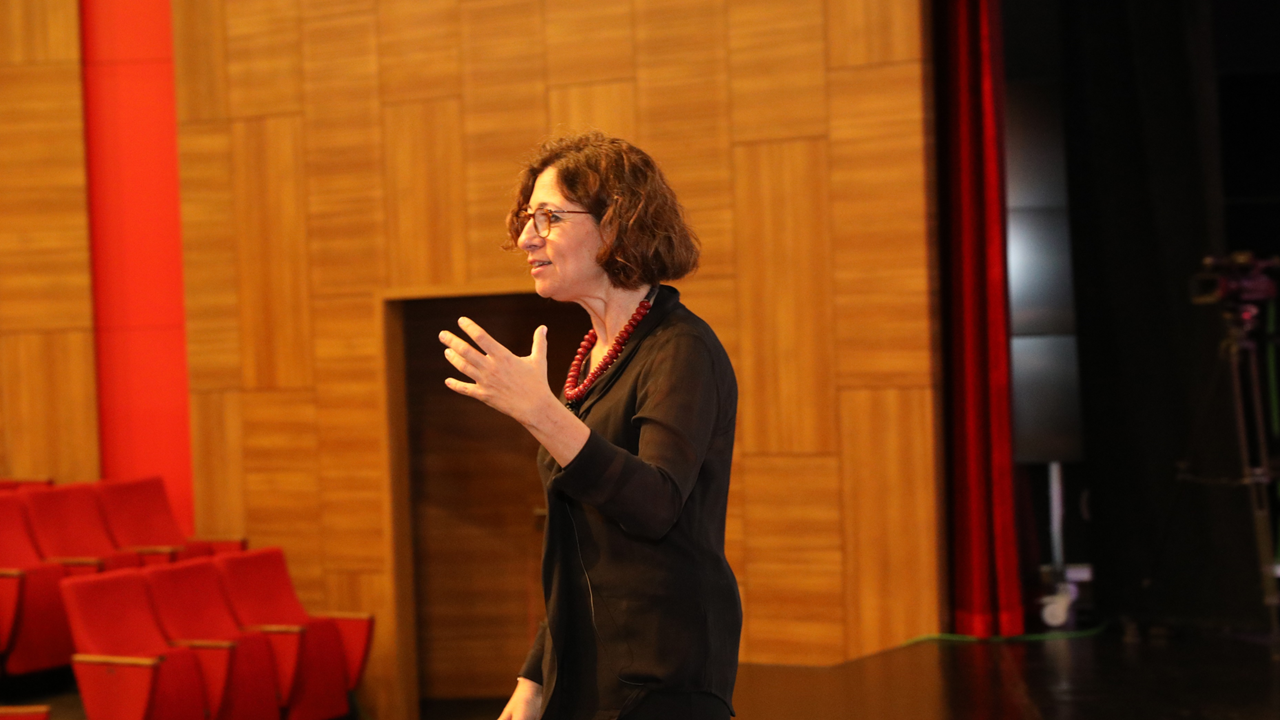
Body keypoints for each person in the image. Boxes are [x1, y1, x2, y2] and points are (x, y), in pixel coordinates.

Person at [437, 131, 741, 720]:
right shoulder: (595, 359)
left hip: (661, 678)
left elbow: (655, 505)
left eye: (549, 218)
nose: (526, 238)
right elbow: (581, 548)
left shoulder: (680, 349)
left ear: (616, 226)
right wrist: (532, 681)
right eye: (527, 219)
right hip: (586, 671)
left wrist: (541, 412)